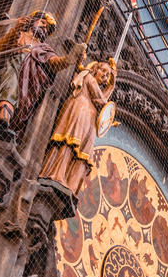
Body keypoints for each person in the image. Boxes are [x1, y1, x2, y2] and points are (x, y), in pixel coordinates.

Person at [0, 11, 86, 142]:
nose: (44, 28)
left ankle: (7, 124)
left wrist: (69, 59)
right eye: (42, 22)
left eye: (47, 28)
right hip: (14, 67)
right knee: (11, 86)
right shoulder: (19, 35)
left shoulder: (44, 47)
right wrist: (16, 28)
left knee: (19, 96)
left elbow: (54, 63)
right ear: (31, 21)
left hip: (30, 79)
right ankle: (2, 122)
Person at [40, 58, 116, 196]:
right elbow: (102, 101)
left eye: (108, 75)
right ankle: (57, 174)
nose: (105, 75)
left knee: (81, 151)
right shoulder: (88, 77)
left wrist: (110, 87)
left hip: (89, 117)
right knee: (70, 142)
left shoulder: (93, 87)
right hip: (81, 109)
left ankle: (70, 182)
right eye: (103, 71)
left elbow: (101, 102)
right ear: (95, 69)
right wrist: (111, 87)